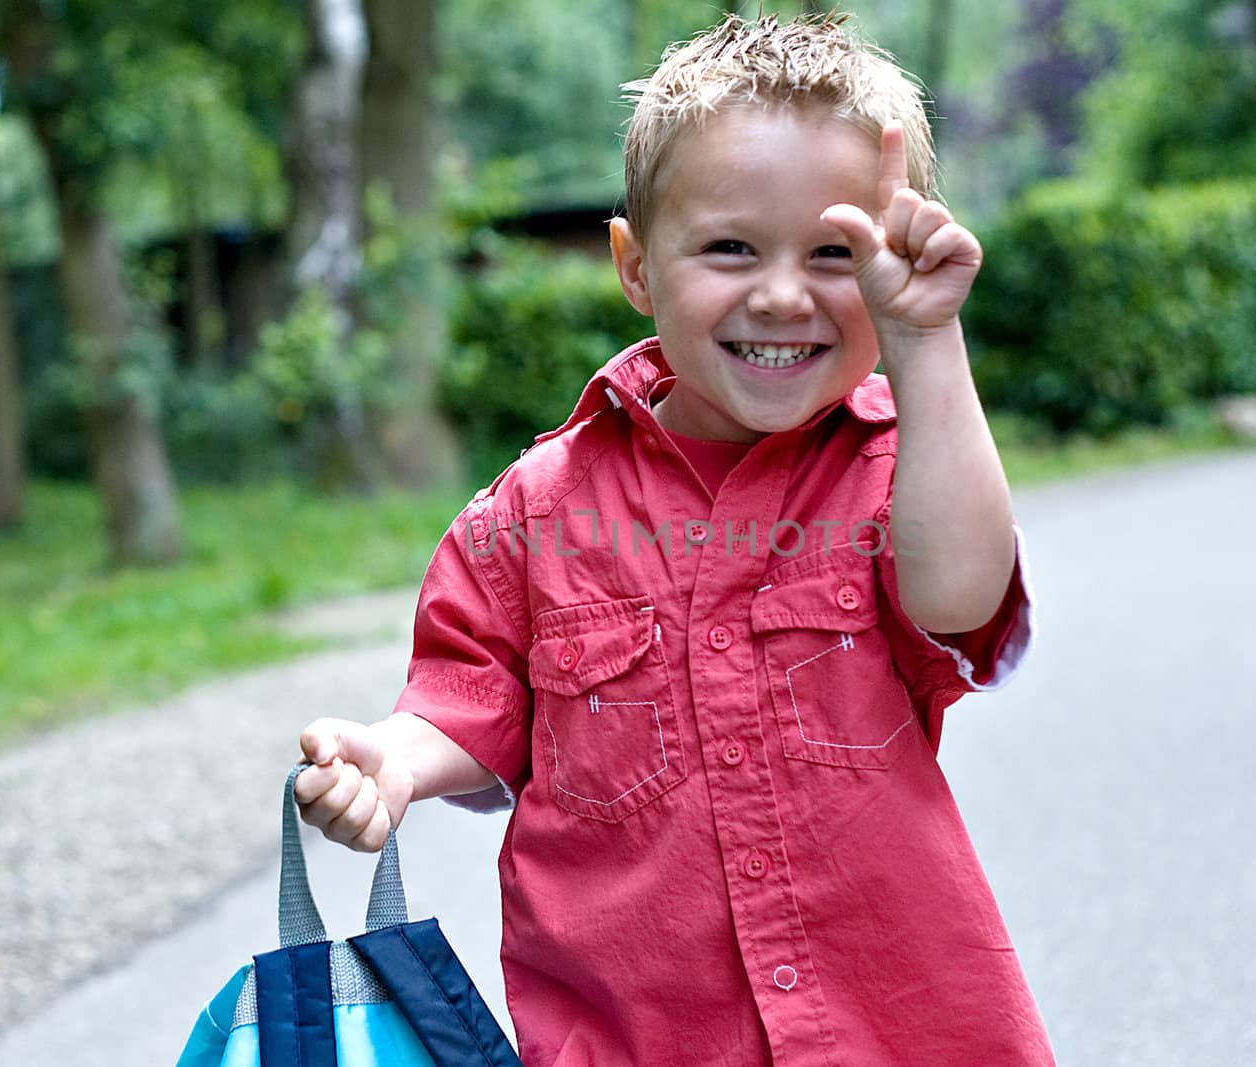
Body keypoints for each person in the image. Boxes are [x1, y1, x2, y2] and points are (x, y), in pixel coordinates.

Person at [294, 13, 1054, 1065]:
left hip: (891, 1028)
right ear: (637, 264)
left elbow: (962, 599)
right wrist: (395, 759)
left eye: (836, 252)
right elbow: (472, 700)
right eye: (731, 246)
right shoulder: (531, 513)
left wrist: (927, 339)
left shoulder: (896, 472)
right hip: (639, 1038)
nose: (783, 292)